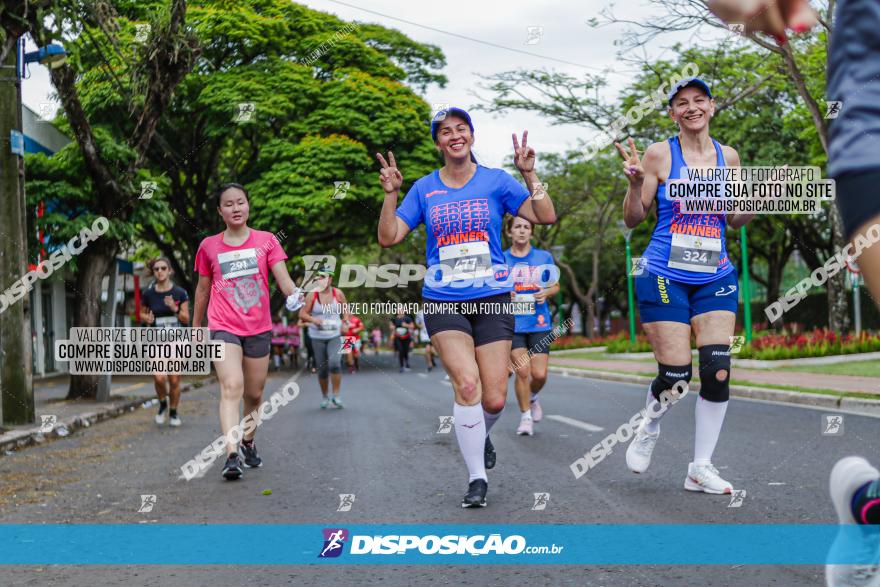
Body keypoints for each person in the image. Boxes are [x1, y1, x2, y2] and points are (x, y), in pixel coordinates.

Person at [376, 106, 556, 507]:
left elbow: (545, 214)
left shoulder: (497, 181)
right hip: (444, 300)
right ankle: (477, 478)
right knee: (468, 385)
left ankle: (481, 435)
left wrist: (529, 175)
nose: (454, 135)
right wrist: (390, 196)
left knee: (493, 399)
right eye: (445, 131)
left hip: (492, 298)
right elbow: (389, 236)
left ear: (471, 136)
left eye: (461, 129)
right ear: (438, 142)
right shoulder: (424, 189)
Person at [616, 78, 755, 494]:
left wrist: (761, 200)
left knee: (717, 370)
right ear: (673, 113)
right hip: (664, 274)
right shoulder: (660, 154)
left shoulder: (728, 157)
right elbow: (634, 219)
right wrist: (635, 183)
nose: (691, 107)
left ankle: (700, 467)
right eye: (682, 103)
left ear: (712, 106)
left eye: (699, 100)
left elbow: (735, 219)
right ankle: (650, 423)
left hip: (715, 273)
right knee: (677, 376)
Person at [191, 182, 303, 481]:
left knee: (254, 394)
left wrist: (294, 294)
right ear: (220, 211)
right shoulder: (208, 246)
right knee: (232, 386)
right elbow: (203, 290)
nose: (235, 208)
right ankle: (231, 455)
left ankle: (248, 440)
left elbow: (284, 278)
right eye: (228, 204)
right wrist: (196, 327)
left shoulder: (266, 241)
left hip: (258, 327)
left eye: (240, 202)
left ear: (248, 206)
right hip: (223, 326)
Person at [503, 216, 559, 436]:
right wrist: (504, 292)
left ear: (532, 233)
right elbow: (492, 286)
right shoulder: (501, 259)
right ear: (510, 232)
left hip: (539, 323)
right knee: (523, 371)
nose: (522, 231)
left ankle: (533, 397)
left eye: (526, 227)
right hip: (513, 324)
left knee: (540, 374)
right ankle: (525, 417)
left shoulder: (543, 257)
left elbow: (555, 285)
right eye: (517, 227)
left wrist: (546, 292)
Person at [140, 256, 190, 427]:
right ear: (153, 272)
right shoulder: (148, 293)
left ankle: (174, 412)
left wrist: (175, 309)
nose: (160, 271)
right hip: (156, 341)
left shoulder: (180, 293)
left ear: (170, 271)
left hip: (177, 342)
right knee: (159, 378)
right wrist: (147, 318)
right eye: (156, 269)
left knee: (174, 380)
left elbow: (185, 319)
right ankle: (162, 403)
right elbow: (141, 313)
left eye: (163, 268)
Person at [299, 266, 350, 408]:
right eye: (320, 277)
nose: (323, 280)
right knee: (322, 368)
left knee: (334, 363)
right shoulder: (312, 295)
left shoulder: (338, 293)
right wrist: (314, 320)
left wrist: (345, 321)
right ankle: (325, 396)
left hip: (334, 334)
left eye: (326, 277)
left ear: (330, 279)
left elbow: (346, 309)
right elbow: (302, 314)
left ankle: (336, 395)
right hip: (317, 336)